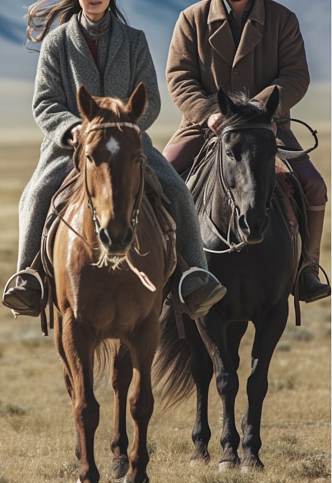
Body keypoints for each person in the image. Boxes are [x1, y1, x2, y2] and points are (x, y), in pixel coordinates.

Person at [3, 0, 226, 319]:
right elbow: (45, 103)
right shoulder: (57, 42)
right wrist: (75, 129)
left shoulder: (134, 39)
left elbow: (148, 98)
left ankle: (193, 277)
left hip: (127, 142)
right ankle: (28, 278)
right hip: (72, 146)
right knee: (37, 194)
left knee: (177, 190)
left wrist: (125, 127)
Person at [163, 0, 330, 303]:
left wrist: (258, 111)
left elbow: (295, 75)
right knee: (158, 180)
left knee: (314, 187)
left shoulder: (283, 19)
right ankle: (164, 271)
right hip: (205, 126)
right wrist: (207, 112)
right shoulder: (191, 19)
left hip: (267, 129)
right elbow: (179, 76)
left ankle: (306, 268)